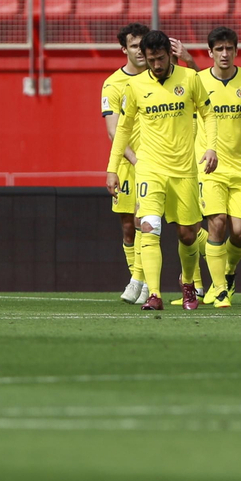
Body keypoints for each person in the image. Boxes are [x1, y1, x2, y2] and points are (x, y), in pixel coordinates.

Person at [105, 29, 213, 312]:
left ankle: (188, 282)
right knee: (148, 227)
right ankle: (154, 294)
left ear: (170, 54)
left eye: (160, 59)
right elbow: (123, 129)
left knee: (188, 234)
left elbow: (208, 113)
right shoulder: (136, 86)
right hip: (150, 168)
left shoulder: (190, 79)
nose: (155, 65)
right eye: (151, 60)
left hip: (184, 170)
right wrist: (112, 169)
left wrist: (211, 147)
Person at [194, 25, 241, 307]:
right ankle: (220, 288)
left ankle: (229, 272)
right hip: (209, 167)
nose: (224, 54)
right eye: (219, 49)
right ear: (210, 52)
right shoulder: (198, 82)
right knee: (217, 223)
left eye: (229, 49)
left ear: (236, 51)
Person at [104, 22, 151, 304]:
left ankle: (142, 282)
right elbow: (113, 131)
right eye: (134, 45)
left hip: (156, 163)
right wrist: (135, 159)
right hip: (127, 162)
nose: (140, 50)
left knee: (143, 219)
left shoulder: (160, 77)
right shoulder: (112, 84)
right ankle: (139, 277)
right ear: (125, 49)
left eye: (143, 45)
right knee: (128, 226)